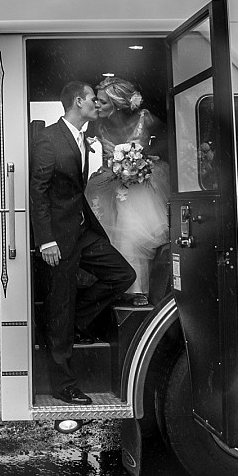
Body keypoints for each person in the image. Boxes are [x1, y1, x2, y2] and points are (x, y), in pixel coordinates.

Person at [29, 81, 136, 405]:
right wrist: (46, 241)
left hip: (82, 231)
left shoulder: (83, 138)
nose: (96, 104)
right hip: (58, 239)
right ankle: (64, 385)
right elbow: (38, 192)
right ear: (78, 101)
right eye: (92, 99)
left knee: (122, 274)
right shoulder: (48, 138)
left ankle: (75, 322)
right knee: (59, 308)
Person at [85, 75, 171, 308]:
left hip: (140, 181)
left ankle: (137, 289)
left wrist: (146, 157)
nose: (97, 105)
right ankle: (111, 285)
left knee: (132, 233)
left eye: (102, 102)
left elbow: (168, 137)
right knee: (104, 234)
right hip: (109, 180)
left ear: (117, 103)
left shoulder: (145, 118)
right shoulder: (97, 123)